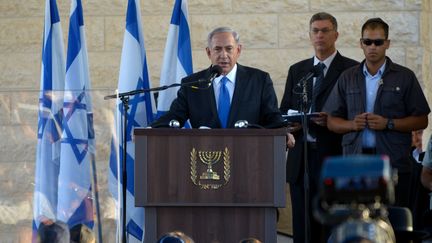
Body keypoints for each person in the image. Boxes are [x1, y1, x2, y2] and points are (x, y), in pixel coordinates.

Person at [324, 17, 430, 208]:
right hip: (355, 162)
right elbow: (331, 120)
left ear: (387, 44)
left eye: (378, 42)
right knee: (357, 220)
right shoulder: (348, 77)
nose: (373, 47)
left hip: (393, 162)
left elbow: (422, 119)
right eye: (368, 42)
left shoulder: (405, 76)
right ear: (361, 44)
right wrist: (351, 124)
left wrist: (388, 123)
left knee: (394, 220)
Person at [279, 12, 358, 243]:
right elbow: (285, 109)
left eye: (325, 30)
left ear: (336, 34)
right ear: (310, 35)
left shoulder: (351, 69)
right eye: (315, 31)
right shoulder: (298, 70)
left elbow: (353, 112)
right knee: (303, 226)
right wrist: (290, 124)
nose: (320, 35)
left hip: (333, 155)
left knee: (333, 224)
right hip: (301, 157)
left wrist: (332, 121)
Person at [151, 26, 286, 129]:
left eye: (229, 49)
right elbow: (175, 116)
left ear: (238, 50)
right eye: (217, 49)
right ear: (209, 52)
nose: (223, 55)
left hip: (248, 156)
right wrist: (150, 129)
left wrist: (284, 133)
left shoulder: (259, 80)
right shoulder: (192, 84)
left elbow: (273, 117)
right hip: (205, 156)